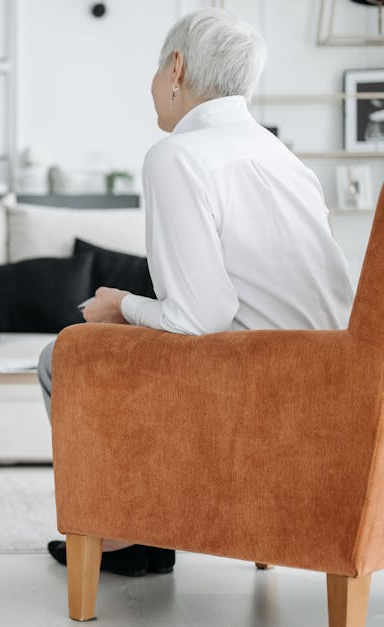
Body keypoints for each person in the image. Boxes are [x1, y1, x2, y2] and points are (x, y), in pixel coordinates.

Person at [38, 8, 354, 576]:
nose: (153, 83)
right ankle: (143, 529)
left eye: (156, 68)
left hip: (247, 387)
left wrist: (120, 305)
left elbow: (200, 317)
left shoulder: (177, 154)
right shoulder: (284, 158)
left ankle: (122, 534)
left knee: (61, 356)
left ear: (177, 68)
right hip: (328, 387)